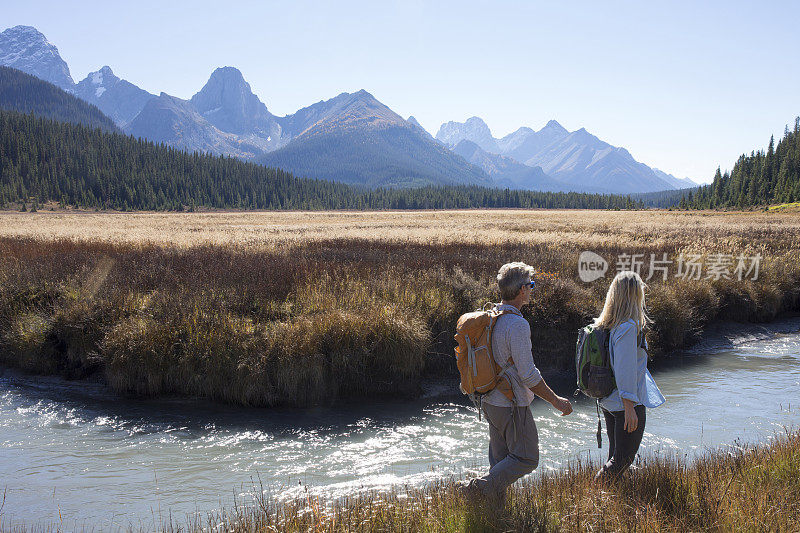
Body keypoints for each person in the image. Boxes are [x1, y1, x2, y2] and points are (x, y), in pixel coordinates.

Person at [464, 262, 573, 505]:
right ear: (522, 289)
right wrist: (556, 401)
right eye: (531, 285)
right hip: (511, 403)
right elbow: (529, 375)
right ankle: (474, 488)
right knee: (526, 458)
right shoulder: (517, 325)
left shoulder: (491, 317)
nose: (532, 289)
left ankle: (494, 514)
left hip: (489, 400)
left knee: (501, 462)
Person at [594, 271, 665, 481]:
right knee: (622, 461)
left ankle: (610, 500)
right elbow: (625, 368)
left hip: (609, 400)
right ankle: (594, 495)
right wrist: (629, 406)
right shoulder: (627, 327)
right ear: (634, 294)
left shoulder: (608, 324)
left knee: (615, 457)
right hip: (623, 403)